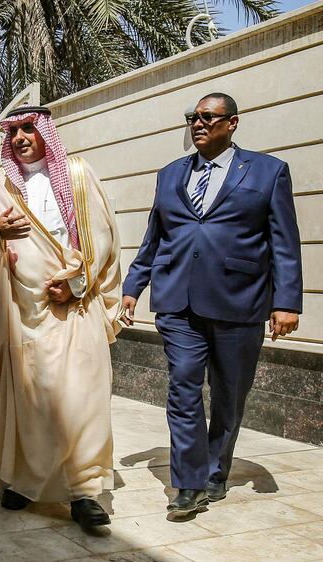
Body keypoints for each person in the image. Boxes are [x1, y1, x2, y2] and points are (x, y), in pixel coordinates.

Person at [121, 93, 302, 517]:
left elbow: (284, 243)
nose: (197, 124)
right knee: (183, 387)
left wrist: (287, 302)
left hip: (240, 302)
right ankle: (187, 483)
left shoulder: (268, 171)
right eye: (192, 118)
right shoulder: (169, 175)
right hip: (177, 301)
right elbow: (155, 238)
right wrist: (134, 285)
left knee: (228, 395)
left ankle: (217, 471)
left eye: (207, 117)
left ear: (232, 123)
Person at [0, 105, 122, 530]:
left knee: (80, 399)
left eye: (29, 128)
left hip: (74, 308)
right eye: (13, 131)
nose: (20, 137)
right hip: (20, 313)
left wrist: (77, 284)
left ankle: (83, 492)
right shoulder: (0, 184)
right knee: (29, 401)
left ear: (46, 132)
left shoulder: (78, 175)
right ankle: (25, 481)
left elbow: (103, 241)